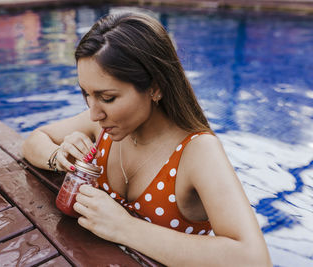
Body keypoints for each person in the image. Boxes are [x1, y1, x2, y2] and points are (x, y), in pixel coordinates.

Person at [22, 11, 272, 266]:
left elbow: (253, 258)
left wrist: (124, 227)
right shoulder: (103, 126)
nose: (95, 113)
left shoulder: (197, 152)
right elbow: (35, 140)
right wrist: (59, 159)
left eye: (107, 98)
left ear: (155, 87)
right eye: (86, 93)